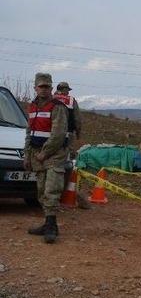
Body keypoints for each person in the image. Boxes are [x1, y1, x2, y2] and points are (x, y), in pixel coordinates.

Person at [24, 73, 69, 244]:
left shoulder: (57, 107)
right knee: (41, 190)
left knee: (51, 189)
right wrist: (27, 155)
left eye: (47, 86)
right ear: (35, 87)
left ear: (51, 88)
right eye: (41, 86)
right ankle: (47, 223)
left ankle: (51, 227)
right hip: (36, 154)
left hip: (54, 154)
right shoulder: (33, 106)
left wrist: (45, 153)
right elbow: (29, 132)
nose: (44, 89)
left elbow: (58, 134)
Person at [53, 81, 90, 209]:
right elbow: (77, 119)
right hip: (66, 136)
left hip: (49, 136)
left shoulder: (49, 99)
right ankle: (59, 196)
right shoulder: (70, 100)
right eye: (67, 90)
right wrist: (78, 133)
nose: (68, 92)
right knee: (64, 164)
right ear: (64, 90)